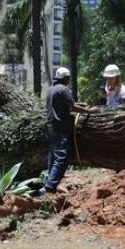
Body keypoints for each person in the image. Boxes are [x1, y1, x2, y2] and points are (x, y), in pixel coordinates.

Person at [37, 67, 75, 195]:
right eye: (68, 78)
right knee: (62, 157)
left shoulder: (50, 90)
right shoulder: (64, 89)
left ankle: (48, 184)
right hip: (60, 127)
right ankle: (49, 187)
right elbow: (73, 106)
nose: (69, 80)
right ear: (65, 78)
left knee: (53, 156)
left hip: (51, 126)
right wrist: (88, 111)